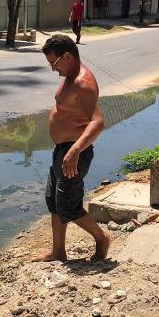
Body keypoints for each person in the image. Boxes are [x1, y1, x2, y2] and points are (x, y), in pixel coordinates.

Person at [33, 34, 110, 262]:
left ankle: (102, 238)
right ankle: (58, 251)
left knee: (68, 205)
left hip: (75, 153)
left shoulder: (82, 82)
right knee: (54, 201)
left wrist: (75, 150)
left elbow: (98, 122)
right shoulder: (70, 76)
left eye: (54, 63)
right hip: (63, 150)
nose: (53, 69)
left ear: (67, 56)